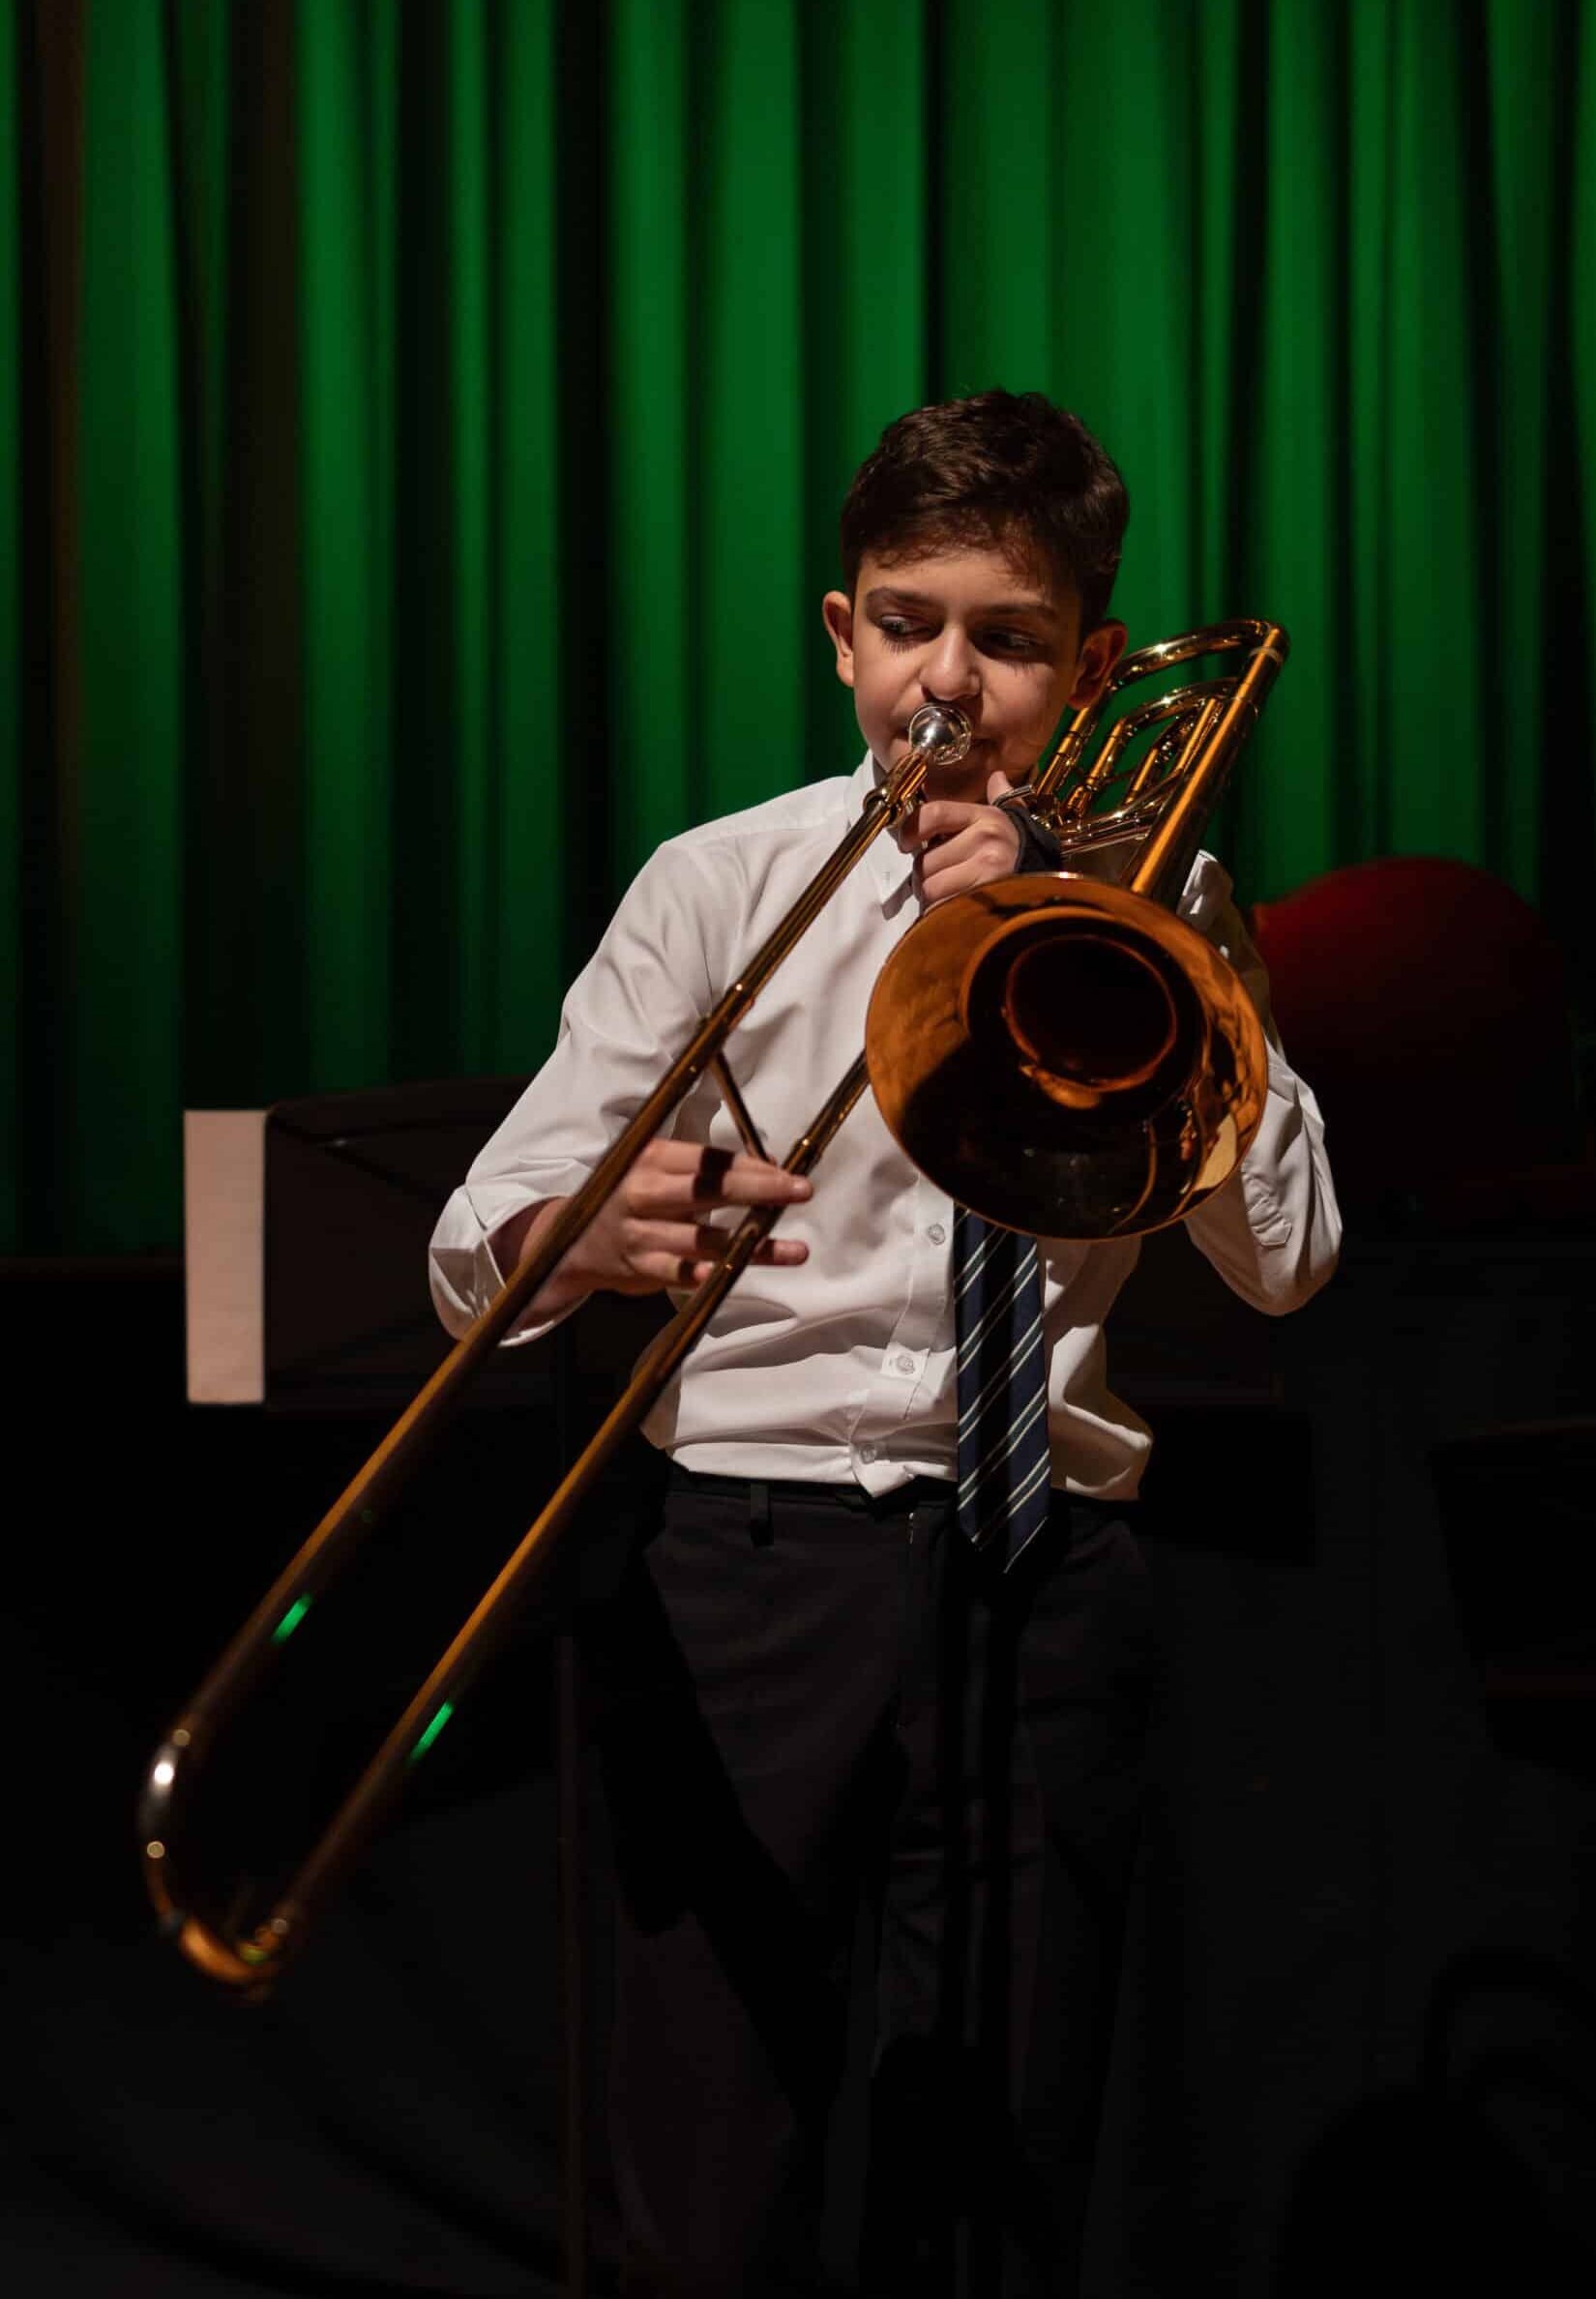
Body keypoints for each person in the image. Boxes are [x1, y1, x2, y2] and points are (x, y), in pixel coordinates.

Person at [429, 390, 1340, 2296]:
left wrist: (1115, 938)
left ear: (1087, 668)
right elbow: (472, 1243)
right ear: (839, 633)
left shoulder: (1158, 898)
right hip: (751, 1568)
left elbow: (1289, 1263)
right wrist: (582, 1231)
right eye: (907, 621)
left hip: (1044, 1570)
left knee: (1006, 2166)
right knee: (711, 2159)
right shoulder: (722, 881)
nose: (949, 678)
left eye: (1007, 640)